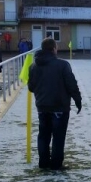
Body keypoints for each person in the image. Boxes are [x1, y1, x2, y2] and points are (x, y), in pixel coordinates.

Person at [29, 38, 82, 171]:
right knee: (58, 136)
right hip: (59, 106)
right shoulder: (63, 65)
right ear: (54, 49)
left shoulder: (33, 66)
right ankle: (56, 164)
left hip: (42, 106)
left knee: (43, 135)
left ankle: (43, 162)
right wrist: (78, 100)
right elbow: (71, 84)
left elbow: (31, 87)